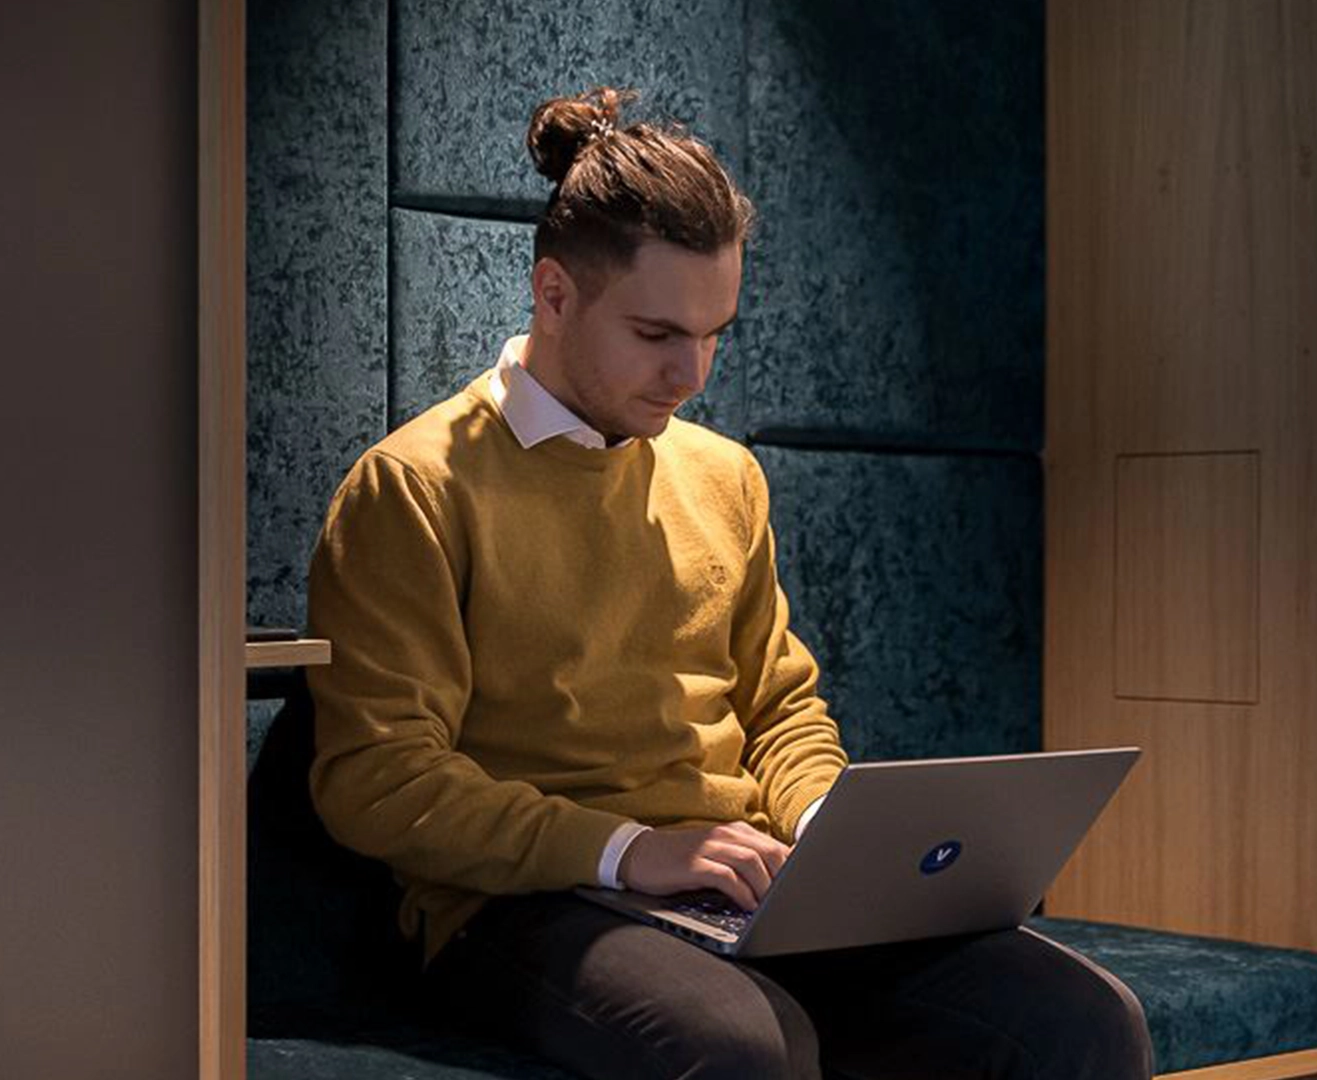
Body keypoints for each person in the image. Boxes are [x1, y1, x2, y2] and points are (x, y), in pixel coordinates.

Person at [303, 85, 1153, 1080]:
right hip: (512, 906)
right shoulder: (413, 486)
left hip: (732, 885)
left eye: (715, 335)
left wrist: (827, 829)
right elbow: (377, 781)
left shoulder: (724, 475)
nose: (691, 374)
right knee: (743, 1050)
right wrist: (628, 850)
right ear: (554, 294)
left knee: (1082, 1020)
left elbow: (780, 708)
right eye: (658, 336)